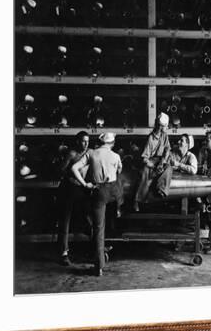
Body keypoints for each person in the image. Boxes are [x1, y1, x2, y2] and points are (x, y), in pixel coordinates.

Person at [72, 132, 122, 276]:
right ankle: (119, 208)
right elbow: (119, 170)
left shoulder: (92, 153)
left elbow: (74, 168)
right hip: (113, 192)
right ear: (112, 143)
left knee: (99, 229)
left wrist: (85, 184)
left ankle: (99, 266)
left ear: (100, 142)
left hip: (98, 191)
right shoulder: (116, 156)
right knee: (112, 221)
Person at [56, 131, 92, 266]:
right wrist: (71, 175)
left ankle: (96, 248)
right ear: (78, 142)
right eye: (83, 141)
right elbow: (61, 170)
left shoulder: (90, 153)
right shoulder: (72, 154)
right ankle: (63, 253)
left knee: (89, 218)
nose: (86, 144)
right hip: (68, 190)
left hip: (82, 190)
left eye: (87, 141)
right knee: (65, 221)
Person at [133, 112, 171, 211]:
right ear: (160, 126)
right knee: (145, 173)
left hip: (160, 160)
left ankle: (161, 189)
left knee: (169, 167)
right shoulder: (150, 138)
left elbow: (167, 150)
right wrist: (153, 166)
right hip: (151, 161)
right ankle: (138, 200)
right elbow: (144, 158)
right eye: (165, 126)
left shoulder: (165, 136)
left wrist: (162, 163)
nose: (166, 128)